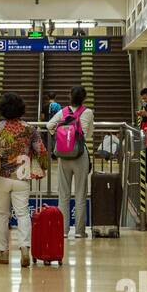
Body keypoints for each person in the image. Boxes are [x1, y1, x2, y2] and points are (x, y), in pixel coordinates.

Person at [0, 91, 48, 268]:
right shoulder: (29, 129)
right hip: (22, 175)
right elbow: (41, 151)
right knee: (22, 213)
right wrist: (43, 167)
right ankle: (25, 249)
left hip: (2, 177)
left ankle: (3, 252)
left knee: (2, 214)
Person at [48, 85, 94, 239]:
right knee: (80, 194)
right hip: (80, 155)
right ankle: (80, 231)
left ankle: (63, 231)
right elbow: (88, 134)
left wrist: (59, 134)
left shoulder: (63, 111)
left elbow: (49, 125)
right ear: (84, 98)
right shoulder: (87, 112)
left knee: (63, 194)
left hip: (63, 156)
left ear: (70, 97)